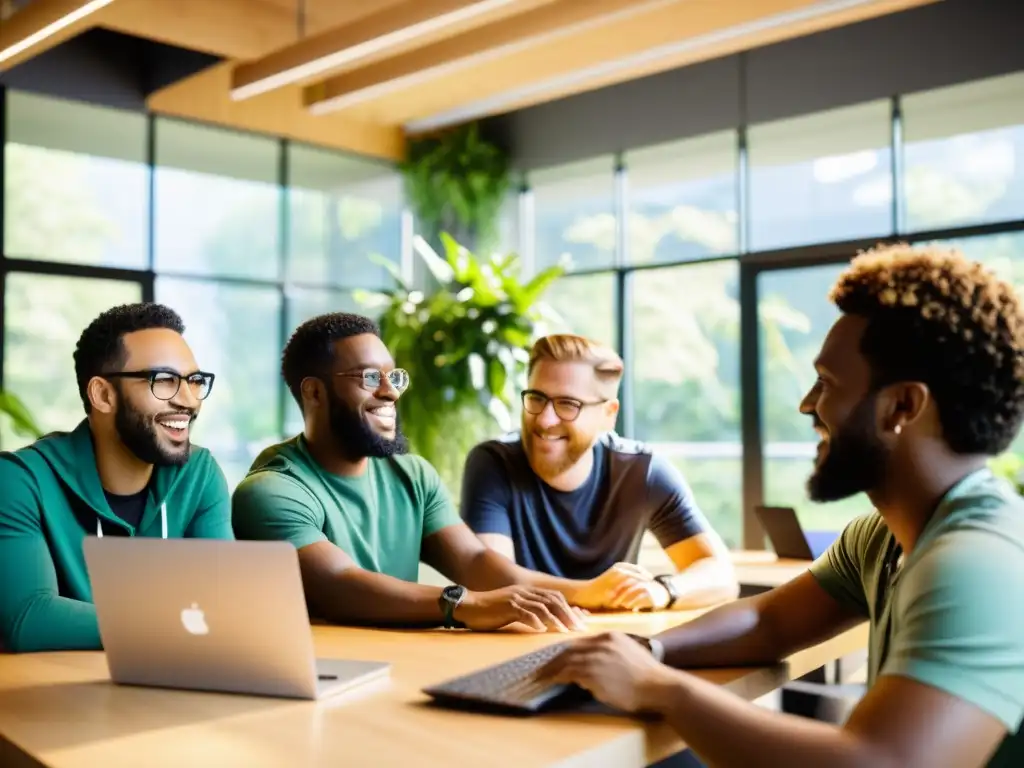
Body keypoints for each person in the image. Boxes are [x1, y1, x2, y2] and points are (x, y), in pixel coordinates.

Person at [539, 244, 1024, 768]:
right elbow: (766, 623)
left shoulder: (978, 561)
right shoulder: (882, 538)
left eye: (828, 383)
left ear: (902, 406)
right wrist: (644, 651)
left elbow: (881, 762)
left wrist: (662, 689)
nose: (807, 404)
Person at [231, 313, 657, 632]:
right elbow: (340, 584)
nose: (390, 391)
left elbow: (474, 561)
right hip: (320, 678)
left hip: (400, 662)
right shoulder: (271, 490)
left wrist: (584, 592)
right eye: (369, 378)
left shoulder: (412, 474)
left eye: (393, 376)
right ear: (314, 392)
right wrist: (464, 603)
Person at [0, 303, 233, 653]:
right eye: (165, 380)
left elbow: (228, 603)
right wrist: (180, 626)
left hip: (176, 689)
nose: (189, 400)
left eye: (195, 381)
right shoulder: (20, 481)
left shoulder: (199, 474)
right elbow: (29, 618)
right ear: (103, 395)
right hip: (60, 696)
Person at [461, 334, 738, 612]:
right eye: (537, 398)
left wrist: (664, 589)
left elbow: (722, 575)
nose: (545, 419)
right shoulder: (494, 464)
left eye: (568, 404)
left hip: (612, 641)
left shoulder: (642, 472)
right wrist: (588, 593)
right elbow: (489, 579)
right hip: (517, 640)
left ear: (609, 413)